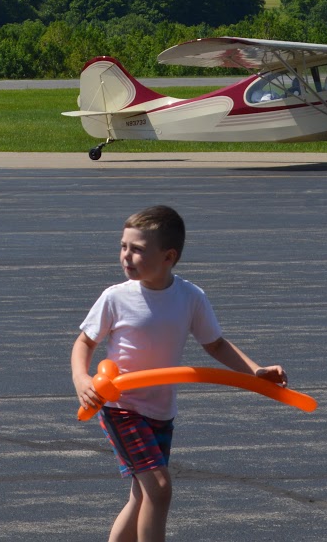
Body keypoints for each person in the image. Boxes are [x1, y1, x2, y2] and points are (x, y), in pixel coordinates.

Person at [71, 205, 288, 542]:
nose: (126, 255)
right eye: (123, 246)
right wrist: (82, 379)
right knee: (159, 488)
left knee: (142, 496)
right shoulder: (115, 298)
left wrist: (256, 371)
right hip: (121, 407)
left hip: (160, 411)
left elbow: (216, 344)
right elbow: (84, 342)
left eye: (137, 249)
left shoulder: (190, 297)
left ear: (168, 256)